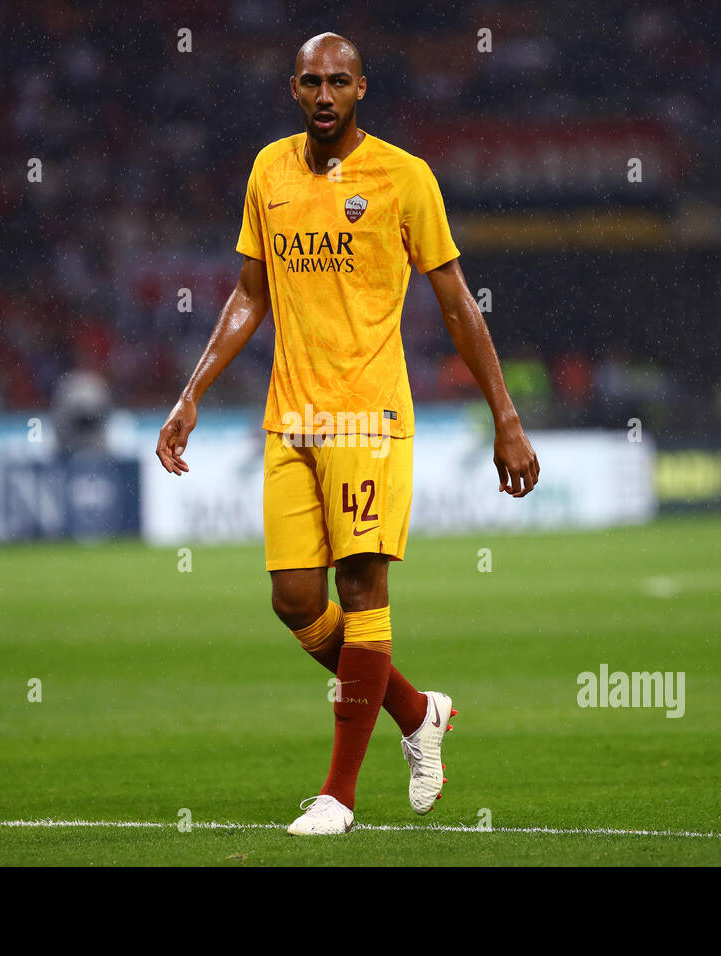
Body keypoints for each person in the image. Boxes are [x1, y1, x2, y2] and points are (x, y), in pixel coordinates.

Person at [155, 33, 539, 833]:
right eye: (310, 81)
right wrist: (192, 393)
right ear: (292, 87)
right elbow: (247, 295)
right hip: (289, 416)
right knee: (294, 601)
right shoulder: (269, 170)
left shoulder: (406, 177)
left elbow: (458, 302)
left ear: (362, 87)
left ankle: (339, 793)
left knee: (362, 593)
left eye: (339, 81)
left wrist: (505, 415)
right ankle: (416, 712)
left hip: (368, 415)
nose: (324, 94)